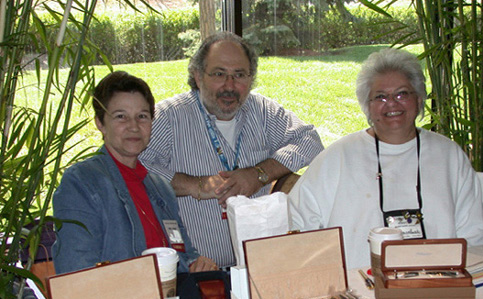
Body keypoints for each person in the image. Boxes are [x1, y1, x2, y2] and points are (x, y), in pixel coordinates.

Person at [288, 48, 483, 269]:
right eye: (380, 97)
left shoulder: (449, 156)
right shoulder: (337, 158)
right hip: (358, 289)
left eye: (402, 94)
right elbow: (297, 224)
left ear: (419, 99)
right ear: (367, 105)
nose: (392, 103)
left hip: (438, 284)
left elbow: (473, 236)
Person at [139, 31, 324, 268]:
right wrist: (196, 185)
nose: (230, 86)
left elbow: (310, 141)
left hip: (260, 266)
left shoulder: (262, 111)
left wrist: (259, 174)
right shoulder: (169, 117)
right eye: (219, 74)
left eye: (239, 75)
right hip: (195, 271)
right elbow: (136, 167)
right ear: (197, 76)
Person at [52, 71, 218, 275]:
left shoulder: (161, 188)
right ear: (100, 123)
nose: (133, 127)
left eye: (142, 117)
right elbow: (75, 271)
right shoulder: (81, 183)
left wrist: (197, 264)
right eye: (121, 117)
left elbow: (183, 253)